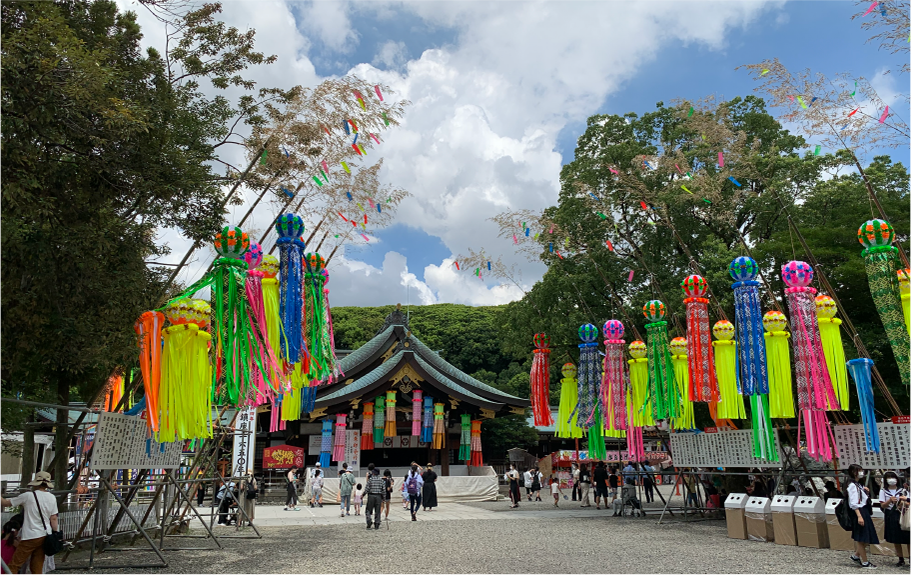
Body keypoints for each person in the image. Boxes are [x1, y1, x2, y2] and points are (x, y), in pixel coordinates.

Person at [0, 471, 59, 575]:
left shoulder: (28, 496)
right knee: (37, 566)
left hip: (30, 536)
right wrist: (56, 533)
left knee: (15, 564)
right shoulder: (52, 497)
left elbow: (6, 503)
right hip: (45, 535)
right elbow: (53, 518)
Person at [846, 464, 878, 569]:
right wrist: (859, 516)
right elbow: (853, 502)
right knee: (862, 538)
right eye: (858, 471)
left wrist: (865, 492)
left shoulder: (858, 484)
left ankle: (856, 556)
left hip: (863, 510)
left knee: (867, 537)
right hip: (859, 512)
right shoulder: (852, 485)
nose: (861, 473)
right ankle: (865, 562)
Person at [880, 471, 911, 566]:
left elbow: (909, 503)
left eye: (893, 477)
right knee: (896, 538)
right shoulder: (883, 491)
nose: (891, 480)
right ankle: (900, 558)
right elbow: (882, 505)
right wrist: (889, 500)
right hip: (891, 514)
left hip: (903, 514)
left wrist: (902, 503)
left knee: (908, 537)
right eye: (888, 478)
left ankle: (910, 558)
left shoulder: (903, 490)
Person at [364, 464, 384, 529]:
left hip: (371, 495)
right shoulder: (381, 480)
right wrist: (383, 498)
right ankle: (377, 523)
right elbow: (383, 490)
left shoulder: (370, 480)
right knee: (377, 510)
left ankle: (369, 521)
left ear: (373, 473)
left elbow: (367, 488)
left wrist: (363, 495)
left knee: (368, 510)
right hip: (378, 496)